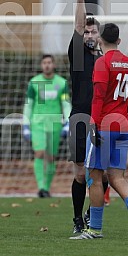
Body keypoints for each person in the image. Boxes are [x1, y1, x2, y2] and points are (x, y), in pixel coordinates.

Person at [71, 23, 128, 240]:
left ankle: (94, 229)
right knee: (116, 176)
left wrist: (93, 123)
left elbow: (98, 96)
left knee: (93, 177)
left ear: (101, 41)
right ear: (120, 41)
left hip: (104, 125)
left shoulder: (103, 62)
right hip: (123, 124)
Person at [68, 0, 108, 234]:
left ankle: (91, 214)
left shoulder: (106, 60)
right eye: (86, 31)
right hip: (80, 118)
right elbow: (79, 24)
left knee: (103, 176)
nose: (89, 34)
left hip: (103, 121)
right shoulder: (78, 54)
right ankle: (77, 220)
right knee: (81, 173)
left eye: (94, 31)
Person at [23, 54, 71, 197]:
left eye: (49, 62)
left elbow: (65, 103)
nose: (47, 65)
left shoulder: (61, 83)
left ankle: (47, 188)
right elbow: (28, 105)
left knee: (50, 157)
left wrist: (68, 122)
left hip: (54, 125)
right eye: (44, 63)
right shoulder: (34, 82)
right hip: (37, 124)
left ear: (54, 65)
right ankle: (41, 187)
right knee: (40, 153)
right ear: (41, 65)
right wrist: (26, 125)